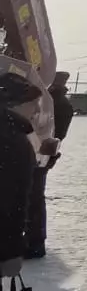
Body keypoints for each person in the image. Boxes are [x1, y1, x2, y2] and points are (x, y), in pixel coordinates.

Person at [24, 70, 74, 260]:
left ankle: (34, 242)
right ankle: (34, 240)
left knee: (33, 198)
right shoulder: (59, 103)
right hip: (43, 155)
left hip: (38, 154)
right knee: (34, 198)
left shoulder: (50, 102)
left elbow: (52, 133)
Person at [0, 73, 40, 268]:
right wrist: (11, 252)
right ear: (15, 105)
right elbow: (12, 201)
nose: (37, 110)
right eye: (33, 104)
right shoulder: (14, 140)